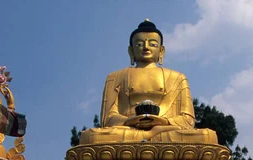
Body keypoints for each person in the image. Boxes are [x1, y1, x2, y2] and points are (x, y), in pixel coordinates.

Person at [78, 20, 218, 145]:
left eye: (152, 44)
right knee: (90, 137)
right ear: (131, 51)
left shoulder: (177, 77)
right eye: (139, 44)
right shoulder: (115, 77)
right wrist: (130, 121)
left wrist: (163, 122)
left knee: (207, 136)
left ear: (161, 50)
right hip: (128, 131)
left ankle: (149, 137)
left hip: (165, 130)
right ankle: (149, 137)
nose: (146, 47)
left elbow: (187, 120)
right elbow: (108, 119)